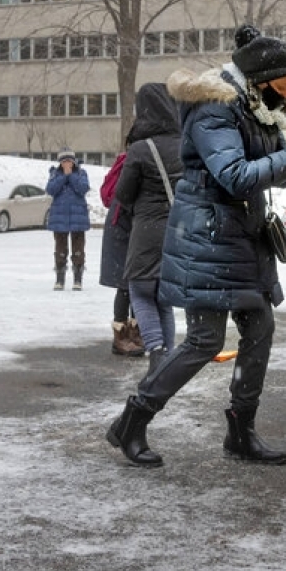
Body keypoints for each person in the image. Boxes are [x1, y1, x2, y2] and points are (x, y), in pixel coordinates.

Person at [106, 25, 286, 467]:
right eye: (283, 88)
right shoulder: (216, 109)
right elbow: (234, 175)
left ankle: (240, 429)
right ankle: (132, 421)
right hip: (207, 239)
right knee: (203, 340)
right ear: (259, 81)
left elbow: (271, 170)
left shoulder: (255, 108)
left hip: (243, 239)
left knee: (260, 329)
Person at [115, 82, 182, 370]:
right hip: (180, 230)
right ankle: (167, 357)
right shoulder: (187, 143)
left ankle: (155, 350)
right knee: (164, 297)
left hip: (146, 232)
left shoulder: (142, 149)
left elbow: (122, 194)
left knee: (141, 291)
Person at [99, 148, 143, 357]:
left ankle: (134, 333)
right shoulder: (134, 164)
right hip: (123, 230)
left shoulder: (133, 160)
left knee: (134, 283)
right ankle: (121, 336)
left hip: (125, 228)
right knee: (127, 284)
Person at [46, 148, 90, 291]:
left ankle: (78, 279)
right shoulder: (54, 173)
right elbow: (51, 190)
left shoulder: (81, 173)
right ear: (60, 162)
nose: (67, 163)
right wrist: (63, 176)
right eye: (64, 161)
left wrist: (71, 175)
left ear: (74, 161)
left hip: (78, 217)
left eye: (69, 160)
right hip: (59, 217)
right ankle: (60, 279)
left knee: (78, 249)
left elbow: (83, 188)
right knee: (60, 249)